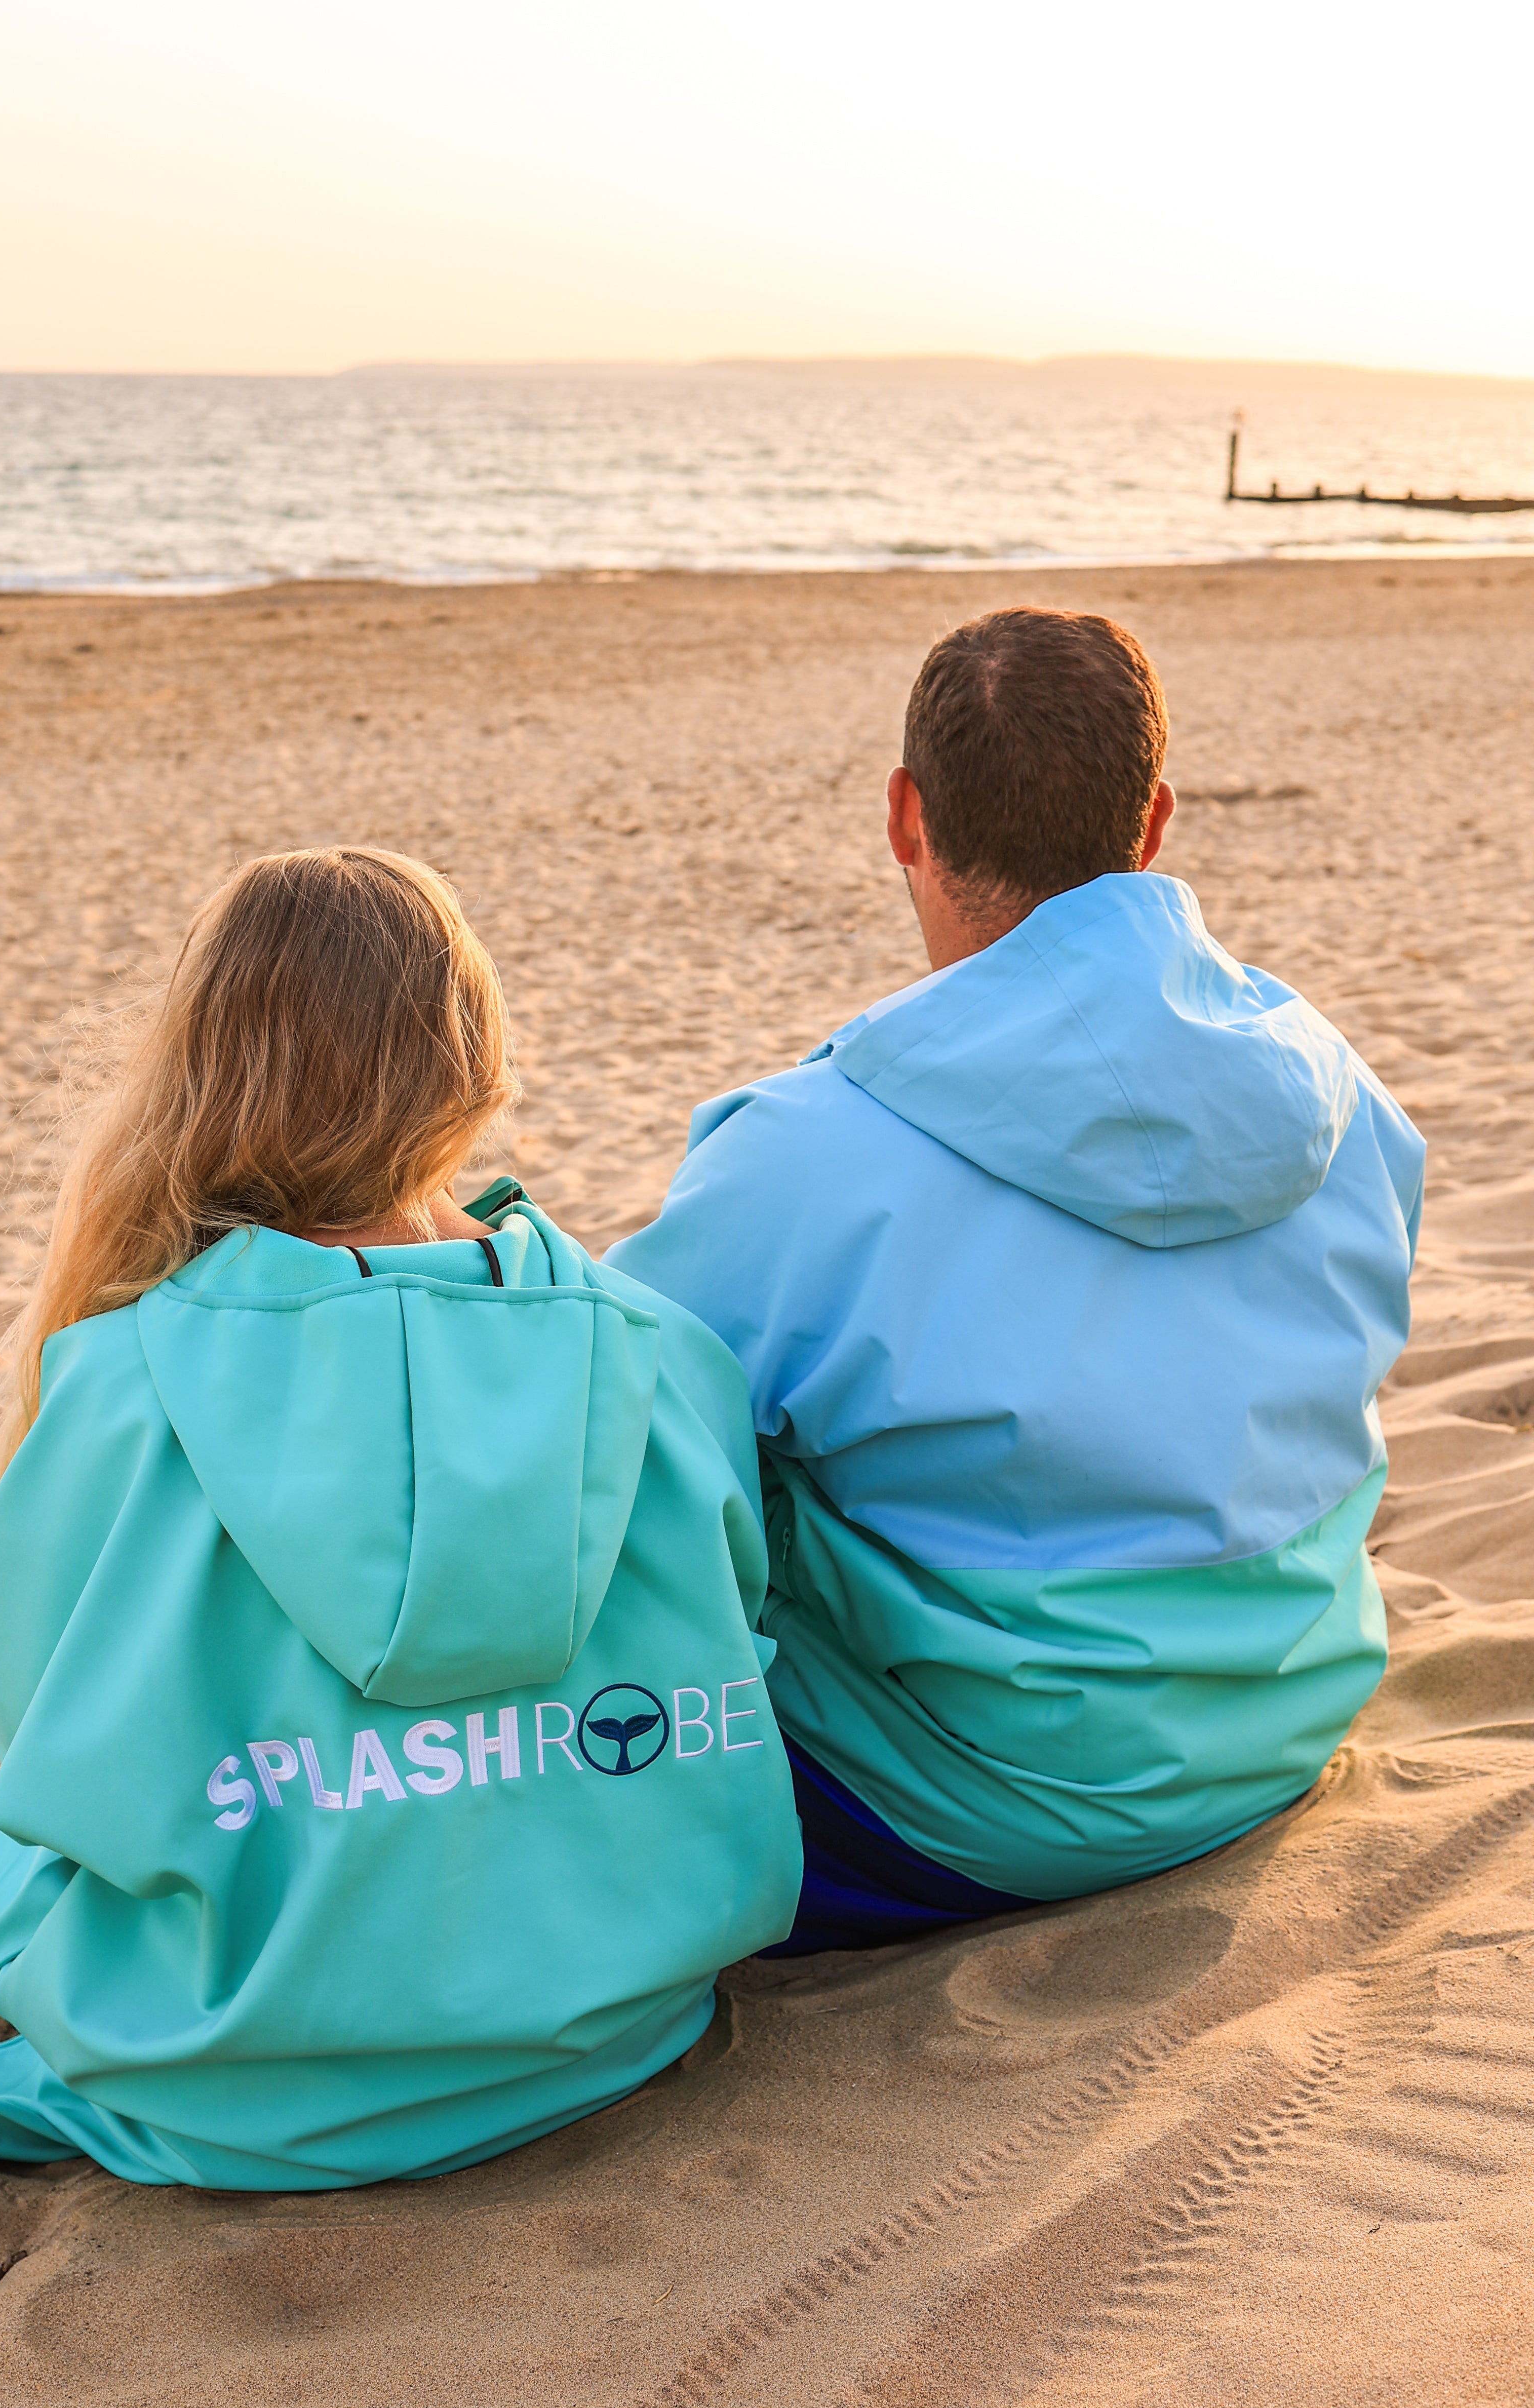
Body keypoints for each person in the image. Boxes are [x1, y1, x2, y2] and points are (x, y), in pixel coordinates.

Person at [0, 849, 802, 2187]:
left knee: (12, 1818)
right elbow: (733, 1621)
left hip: (230, 2065)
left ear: (207, 1064)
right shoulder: (655, 1349)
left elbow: (47, 1716)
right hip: (617, 2006)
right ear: (473, 1064)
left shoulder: (122, 1382)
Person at [608, 607, 1424, 1953]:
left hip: (971, 1817)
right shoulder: (1343, 1096)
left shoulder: (805, 1157)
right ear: (1153, 823)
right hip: (1281, 1723)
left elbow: (608, 1438)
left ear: (904, 820)